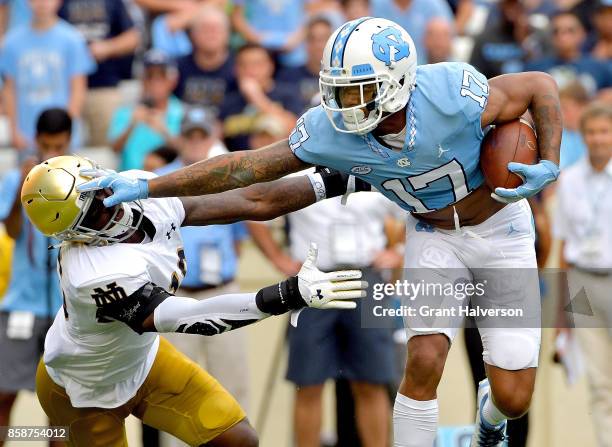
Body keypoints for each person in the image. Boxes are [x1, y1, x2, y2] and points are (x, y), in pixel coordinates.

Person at [81, 17, 563, 447]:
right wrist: (153, 187)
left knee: (513, 397)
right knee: (425, 358)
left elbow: (541, 84)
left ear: (397, 83)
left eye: (356, 91)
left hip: (502, 230)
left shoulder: (452, 93)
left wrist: (551, 161)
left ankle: (490, 418)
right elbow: (251, 177)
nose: (342, 105)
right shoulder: (336, 136)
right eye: (337, 90)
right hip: (433, 236)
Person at [22, 154, 368, 447]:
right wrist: (284, 295)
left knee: (239, 439)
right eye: (95, 212)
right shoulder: (93, 275)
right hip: (83, 388)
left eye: (100, 191)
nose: (110, 206)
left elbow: (252, 200)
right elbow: (194, 317)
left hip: (141, 362)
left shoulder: (134, 187)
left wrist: (333, 181)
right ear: (74, 235)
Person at [156, 107, 251, 416]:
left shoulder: (229, 178)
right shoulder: (158, 181)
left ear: (214, 136)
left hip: (221, 292)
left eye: (202, 135)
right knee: (176, 393)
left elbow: (239, 239)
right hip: (175, 298)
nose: (196, 142)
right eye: (189, 136)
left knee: (232, 386)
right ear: (179, 139)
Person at [0, 108, 72, 442]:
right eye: (46, 146)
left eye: (59, 146)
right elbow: (12, 232)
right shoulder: (17, 179)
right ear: (36, 141)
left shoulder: (82, 181)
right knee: (3, 394)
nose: (51, 154)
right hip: (23, 303)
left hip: (66, 309)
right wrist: (23, 189)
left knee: (61, 403)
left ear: (69, 142)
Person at [554, 102, 612, 447]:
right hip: (583, 282)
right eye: (591, 132)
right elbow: (562, 247)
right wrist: (561, 314)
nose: (597, 139)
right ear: (583, 136)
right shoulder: (570, 181)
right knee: (599, 382)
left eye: (604, 131)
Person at [0, 0, 95, 152]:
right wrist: (14, 130)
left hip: (62, 139)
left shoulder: (72, 38)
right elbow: (9, 89)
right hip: (27, 137)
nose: (42, 3)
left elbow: (78, 89)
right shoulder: (12, 42)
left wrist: (65, 130)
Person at [59, 0, 140, 146]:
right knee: (62, 147)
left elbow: (132, 38)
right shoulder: (62, 2)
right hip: (65, 90)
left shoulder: (112, 2)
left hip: (104, 87)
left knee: (106, 151)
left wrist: (107, 48)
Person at [107, 49, 183, 171]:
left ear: (173, 80)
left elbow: (188, 153)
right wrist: (131, 125)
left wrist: (164, 131)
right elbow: (114, 149)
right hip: (130, 181)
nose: (155, 82)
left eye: (162, 76)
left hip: (168, 182)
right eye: (149, 75)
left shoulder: (182, 112)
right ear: (142, 79)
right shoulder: (126, 111)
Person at [220, 43, 304, 151]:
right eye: (243, 65)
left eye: (256, 64)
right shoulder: (229, 99)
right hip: (237, 163)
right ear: (235, 69)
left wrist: (257, 98)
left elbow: (298, 132)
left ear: (270, 65)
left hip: (278, 160)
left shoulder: (287, 94)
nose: (250, 70)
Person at [525, 11, 612, 95]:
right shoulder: (535, 69)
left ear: (583, 34)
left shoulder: (599, 67)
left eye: (570, 31)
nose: (563, 36)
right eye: (556, 31)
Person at [173, 6, 236, 111]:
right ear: (192, 34)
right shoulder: (176, 67)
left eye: (216, 29)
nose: (211, 34)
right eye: (205, 29)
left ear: (227, 34)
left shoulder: (239, 67)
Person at [277, 16, 334, 109]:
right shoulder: (287, 77)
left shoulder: (344, 76)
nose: (318, 45)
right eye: (312, 39)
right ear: (305, 43)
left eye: (324, 39)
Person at [371, 0, 453, 65]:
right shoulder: (375, 4)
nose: (438, 43)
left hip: (423, 63)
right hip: (382, 64)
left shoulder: (433, 4)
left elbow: (447, 30)